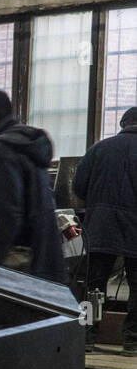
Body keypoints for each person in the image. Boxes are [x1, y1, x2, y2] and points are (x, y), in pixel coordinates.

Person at [0, 89, 67, 285]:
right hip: (39, 254)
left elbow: (1, 215)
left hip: (14, 262)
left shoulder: (2, 152)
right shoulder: (23, 145)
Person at [73, 106, 137, 354]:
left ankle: (86, 338)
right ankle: (132, 342)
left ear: (122, 123)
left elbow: (78, 186)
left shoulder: (98, 149)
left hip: (100, 226)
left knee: (94, 285)